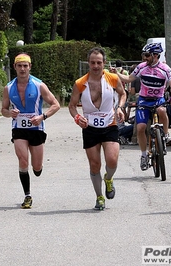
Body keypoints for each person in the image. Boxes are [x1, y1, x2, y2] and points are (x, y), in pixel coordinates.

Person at [69, 47, 126, 210]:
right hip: (90, 128)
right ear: (88, 63)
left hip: (110, 125)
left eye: (99, 62)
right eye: (93, 63)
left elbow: (122, 94)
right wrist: (77, 117)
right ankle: (99, 196)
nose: (96, 66)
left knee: (112, 160)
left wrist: (120, 108)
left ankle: (109, 179)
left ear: (104, 63)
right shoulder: (80, 83)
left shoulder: (113, 78)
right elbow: (72, 106)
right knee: (95, 165)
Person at [1, 53, 60, 209]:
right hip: (18, 128)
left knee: (36, 167)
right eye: (19, 66)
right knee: (23, 161)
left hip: (36, 128)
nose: (22, 69)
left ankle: (38, 169)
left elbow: (56, 104)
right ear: (14, 67)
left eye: (25, 66)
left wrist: (42, 116)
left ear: (30, 67)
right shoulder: (8, 88)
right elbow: (3, 110)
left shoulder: (39, 85)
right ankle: (27, 195)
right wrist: (9, 113)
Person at [111, 43, 171, 171]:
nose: (144, 58)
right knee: (141, 127)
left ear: (155, 55)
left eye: (147, 55)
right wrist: (117, 74)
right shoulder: (141, 67)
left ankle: (166, 134)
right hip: (143, 100)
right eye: (143, 55)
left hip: (158, 99)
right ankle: (143, 155)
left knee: (162, 110)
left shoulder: (165, 69)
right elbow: (130, 79)